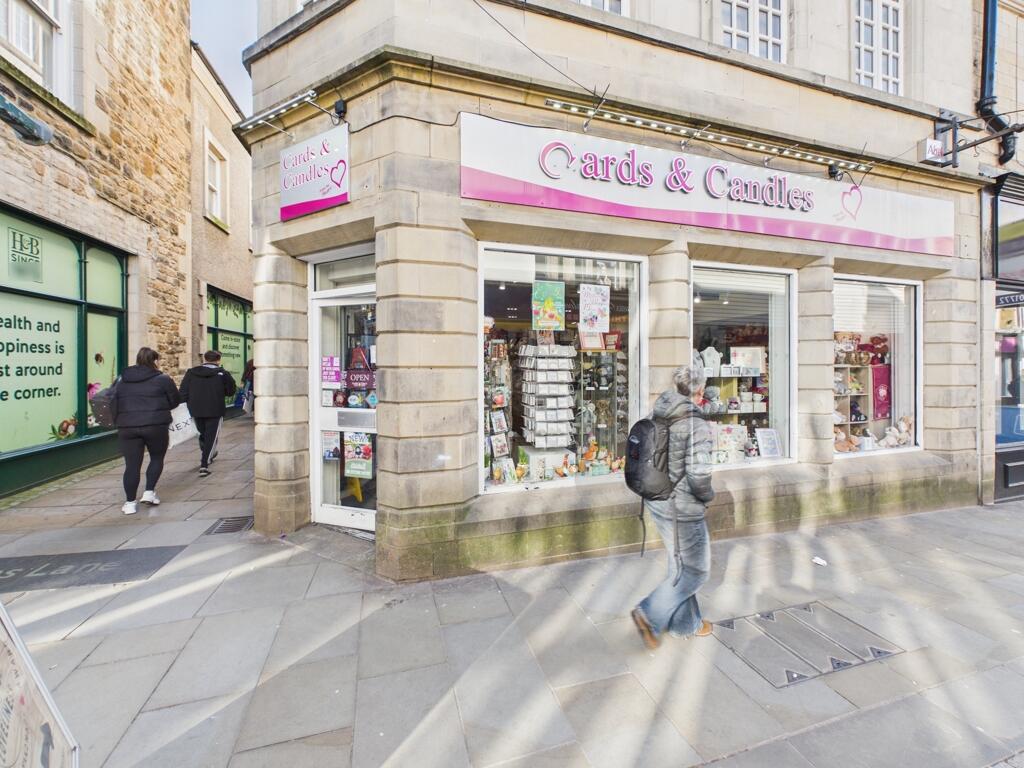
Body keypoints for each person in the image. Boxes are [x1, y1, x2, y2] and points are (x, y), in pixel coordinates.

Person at [631, 361, 716, 650]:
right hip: (683, 508)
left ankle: (685, 624)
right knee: (696, 571)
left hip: (657, 500)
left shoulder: (659, 411)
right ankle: (649, 613)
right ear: (700, 390)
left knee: (679, 565)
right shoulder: (696, 424)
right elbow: (699, 475)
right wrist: (708, 496)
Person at [114, 347, 180, 515]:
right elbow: (175, 401)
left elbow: (113, 401)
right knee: (157, 457)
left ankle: (129, 503)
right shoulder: (163, 379)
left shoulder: (121, 379)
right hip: (155, 424)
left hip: (127, 426)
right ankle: (149, 492)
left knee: (131, 465)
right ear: (155, 361)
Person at [180, 350, 237, 476]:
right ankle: (204, 464)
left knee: (203, 434)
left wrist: (182, 408)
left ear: (204, 359)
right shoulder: (223, 373)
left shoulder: (191, 373)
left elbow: (183, 391)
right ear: (218, 360)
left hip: (195, 409)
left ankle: (207, 452)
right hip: (215, 409)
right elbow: (231, 391)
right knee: (211, 437)